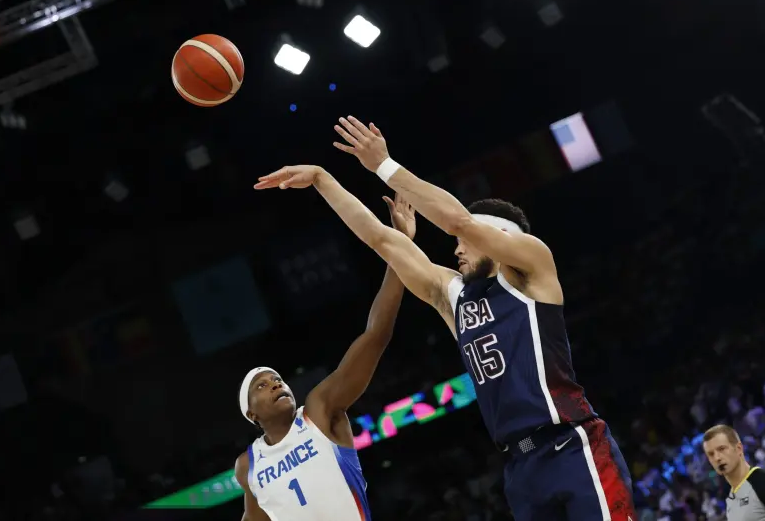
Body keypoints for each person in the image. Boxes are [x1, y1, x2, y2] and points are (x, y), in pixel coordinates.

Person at [254, 116, 636, 521]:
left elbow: (458, 220)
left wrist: (384, 166)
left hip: (572, 444)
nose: (456, 250)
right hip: (519, 468)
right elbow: (382, 240)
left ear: (500, 237)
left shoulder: (532, 270)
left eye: (463, 244)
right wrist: (321, 179)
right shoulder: (455, 295)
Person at [234, 193, 416, 521]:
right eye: (262, 386)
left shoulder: (318, 410)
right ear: (251, 414)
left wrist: (399, 249)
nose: (275, 384)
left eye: (276, 379)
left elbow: (376, 336)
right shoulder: (248, 465)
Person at [702, 424, 765, 520]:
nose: (717, 458)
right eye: (711, 454)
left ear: (739, 448)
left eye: (722, 449)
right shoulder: (731, 500)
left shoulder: (763, 482)